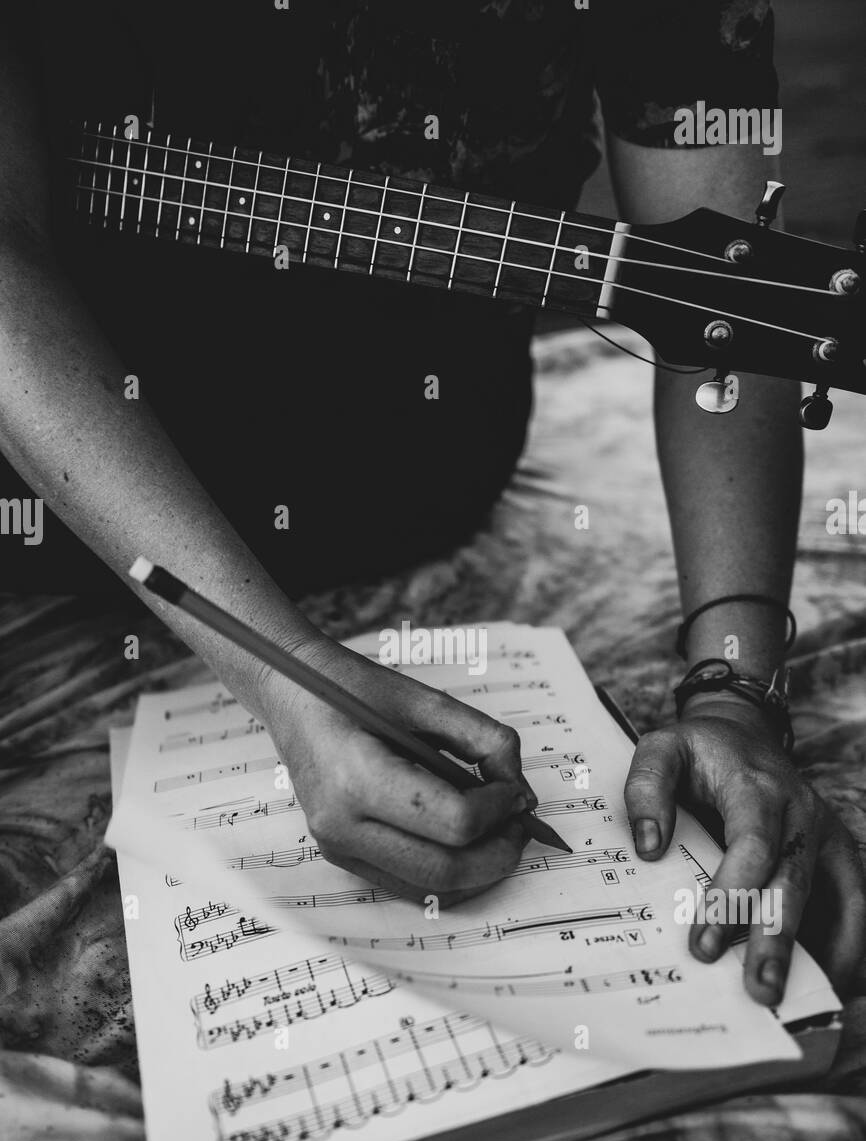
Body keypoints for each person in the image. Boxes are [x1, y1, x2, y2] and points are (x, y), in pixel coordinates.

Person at [0, 2, 862, 1007]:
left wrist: (733, 691)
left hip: (420, 486)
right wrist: (288, 677)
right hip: (69, 519)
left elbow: (726, 300)